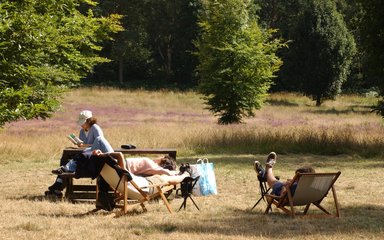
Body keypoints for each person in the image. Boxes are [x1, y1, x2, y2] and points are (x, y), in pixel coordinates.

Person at [45, 110, 113, 197]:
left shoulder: (95, 128)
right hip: (85, 152)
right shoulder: (82, 131)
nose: (81, 125)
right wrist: (79, 145)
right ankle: (59, 182)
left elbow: (99, 144)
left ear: (89, 120)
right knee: (65, 156)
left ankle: (58, 184)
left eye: (83, 122)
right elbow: (83, 145)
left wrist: (83, 145)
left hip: (94, 155)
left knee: (72, 160)